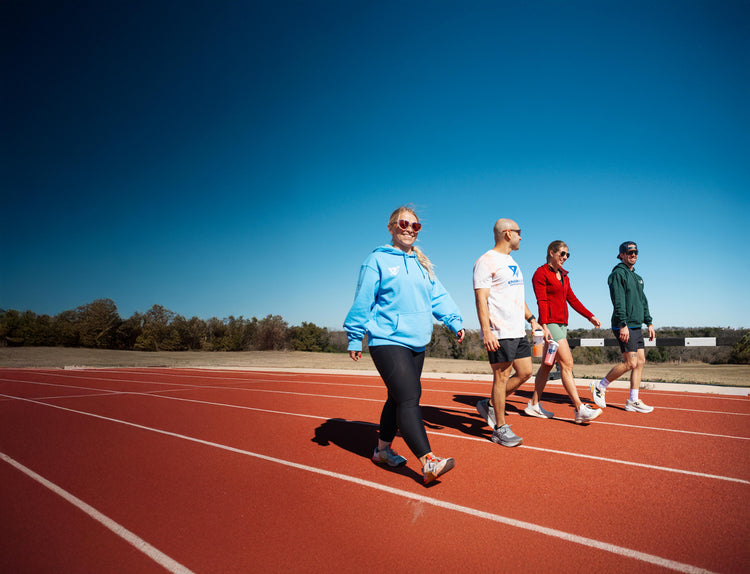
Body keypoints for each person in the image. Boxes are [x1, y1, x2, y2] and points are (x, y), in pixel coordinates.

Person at [344, 206, 465, 484]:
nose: (409, 229)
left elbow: (438, 296)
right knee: (410, 397)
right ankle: (428, 461)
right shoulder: (377, 260)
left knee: (396, 398)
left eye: (415, 225)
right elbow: (364, 299)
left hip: (417, 340)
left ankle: (383, 452)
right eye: (403, 223)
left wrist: (453, 320)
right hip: (387, 338)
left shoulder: (422, 264)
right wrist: (355, 335)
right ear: (391, 227)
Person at [472, 218, 545, 447]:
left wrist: (532, 320)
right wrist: (487, 331)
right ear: (507, 233)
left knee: (525, 373)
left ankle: (490, 405)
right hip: (499, 330)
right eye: (519, 232)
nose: (521, 237)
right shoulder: (486, 261)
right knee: (501, 377)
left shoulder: (511, 261)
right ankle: (499, 428)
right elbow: (481, 298)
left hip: (518, 329)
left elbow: (516, 297)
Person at [530, 240, 603, 423]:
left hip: (562, 324)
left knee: (546, 366)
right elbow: (542, 301)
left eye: (567, 255)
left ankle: (533, 404)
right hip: (550, 323)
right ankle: (579, 409)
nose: (565, 258)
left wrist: (589, 316)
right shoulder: (540, 273)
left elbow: (572, 299)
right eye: (562, 254)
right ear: (551, 252)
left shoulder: (564, 276)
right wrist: (544, 325)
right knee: (567, 363)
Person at [589, 241, 655, 413]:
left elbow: (643, 301)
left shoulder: (638, 278)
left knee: (640, 362)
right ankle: (600, 385)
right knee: (630, 362)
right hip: (624, 325)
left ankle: (633, 400)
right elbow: (618, 301)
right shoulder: (618, 274)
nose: (633, 255)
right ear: (622, 255)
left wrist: (649, 322)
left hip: (636, 325)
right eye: (629, 252)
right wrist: (623, 324)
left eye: (635, 252)